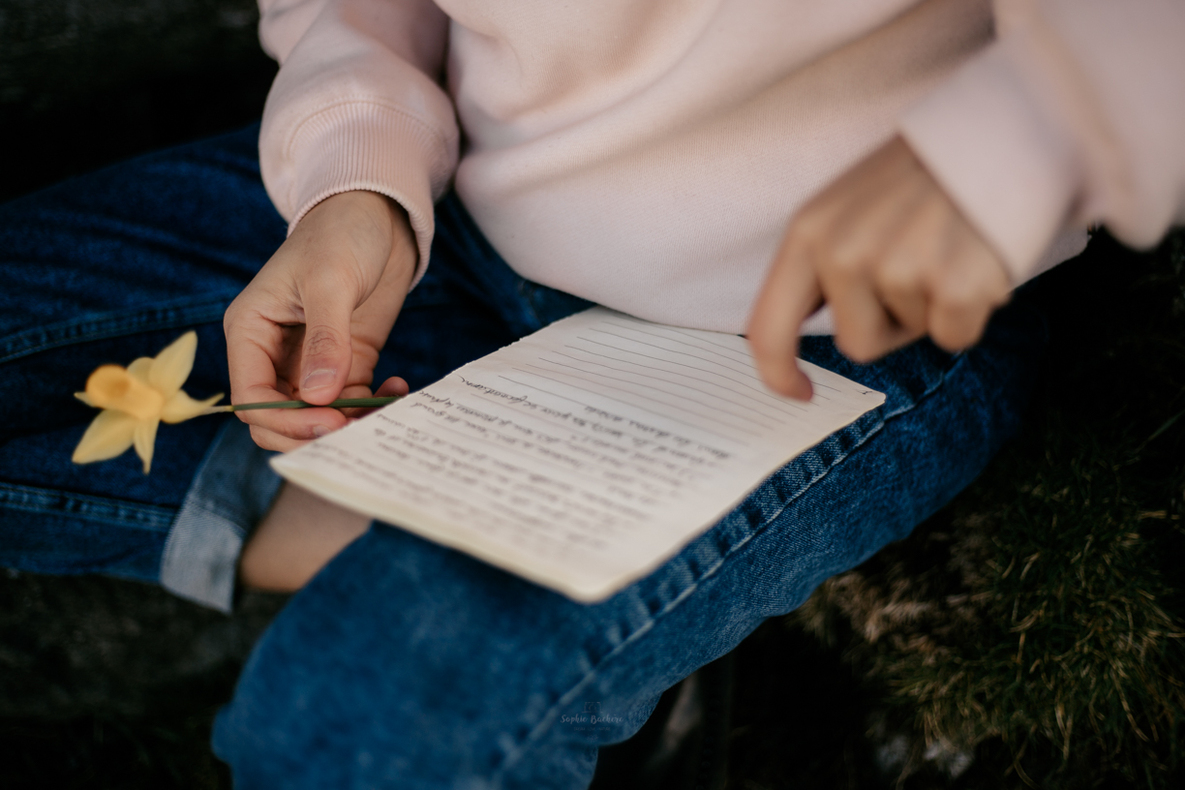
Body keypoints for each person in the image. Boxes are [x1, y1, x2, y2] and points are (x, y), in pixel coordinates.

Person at [0, 0, 1181, 787]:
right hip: (452, 205)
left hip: (824, 310)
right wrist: (354, 171)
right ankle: (365, 501)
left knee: (354, 721)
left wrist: (1023, 141)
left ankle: (437, 541)